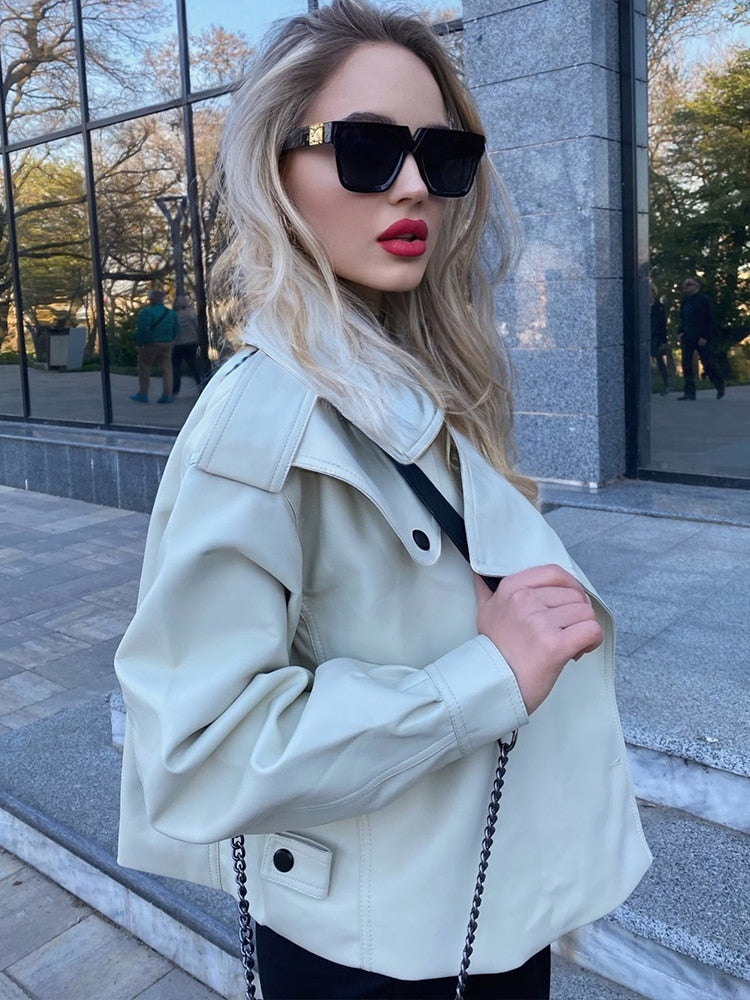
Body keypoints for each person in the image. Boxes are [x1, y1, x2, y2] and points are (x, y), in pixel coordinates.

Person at [114, 4, 651, 998]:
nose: (412, 185)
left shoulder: (406, 378)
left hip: (465, 899)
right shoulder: (264, 422)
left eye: (441, 156)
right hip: (378, 951)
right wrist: (486, 675)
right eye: (366, 149)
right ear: (277, 169)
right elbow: (195, 751)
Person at [677, 276, 725, 400]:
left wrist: (705, 336)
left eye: (689, 284)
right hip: (688, 336)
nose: (685, 287)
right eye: (684, 285)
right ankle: (689, 392)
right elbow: (682, 318)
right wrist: (680, 332)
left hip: (701, 337)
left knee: (707, 362)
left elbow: (710, 320)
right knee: (686, 364)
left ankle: (719, 384)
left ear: (696, 286)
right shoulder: (685, 302)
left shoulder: (704, 300)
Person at [131, 288, 179, 404]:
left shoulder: (145, 313)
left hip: (150, 343)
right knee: (167, 369)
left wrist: (139, 343)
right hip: (167, 343)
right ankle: (167, 395)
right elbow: (176, 328)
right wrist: (171, 340)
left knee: (144, 367)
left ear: (151, 299)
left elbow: (142, 330)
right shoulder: (171, 313)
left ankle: (143, 394)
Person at [171, 295, 202, 396]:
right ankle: (200, 384)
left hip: (178, 343)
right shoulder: (191, 314)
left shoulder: (173, 315)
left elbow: (173, 330)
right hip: (191, 342)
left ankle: (175, 389)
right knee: (193, 365)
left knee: (176, 366)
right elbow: (197, 327)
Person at [650, 282, 670, 395]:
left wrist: (664, 341)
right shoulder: (641, 306)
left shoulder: (659, 307)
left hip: (656, 337)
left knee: (660, 361)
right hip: (645, 336)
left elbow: (663, 325)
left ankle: (665, 385)